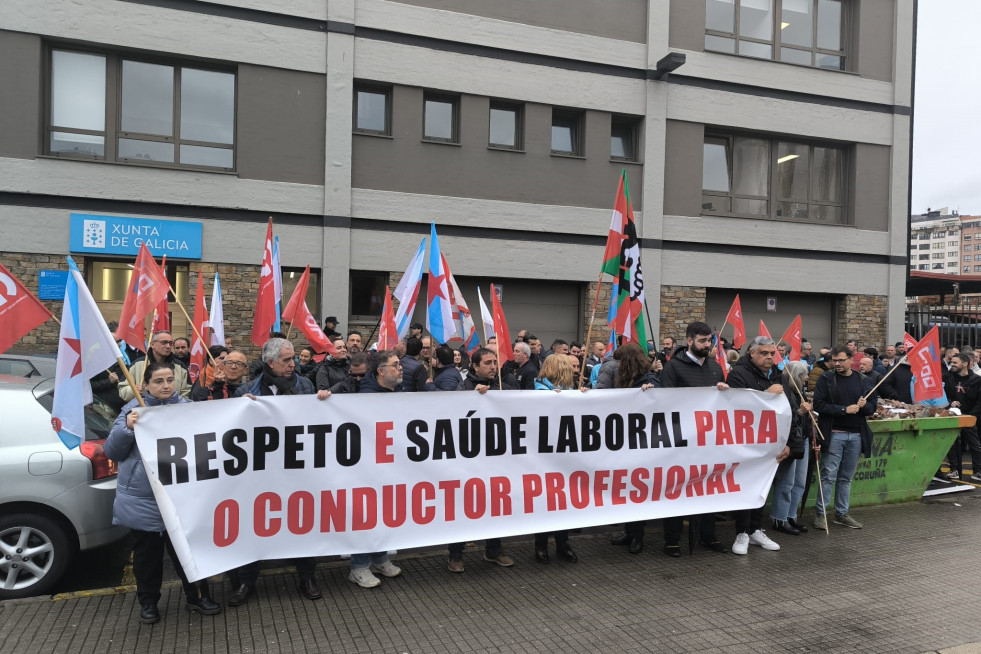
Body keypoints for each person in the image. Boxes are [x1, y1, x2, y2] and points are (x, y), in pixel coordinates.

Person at [105, 360, 220, 623]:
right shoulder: (131, 412)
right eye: (158, 381)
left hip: (181, 497)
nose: (166, 385)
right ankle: (148, 603)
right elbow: (112, 452)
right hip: (144, 500)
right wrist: (128, 429)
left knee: (188, 552)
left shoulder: (188, 410)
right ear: (145, 385)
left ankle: (198, 596)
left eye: (170, 380)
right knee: (148, 558)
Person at [233, 338, 329, 601]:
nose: (293, 363)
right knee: (254, 525)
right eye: (286, 360)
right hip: (260, 473)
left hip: (297, 468)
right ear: (270, 362)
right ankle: (246, 582)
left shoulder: (305, 385)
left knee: (301, 522)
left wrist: (324, 400)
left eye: (293, 358)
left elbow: (317, 421)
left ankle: (307, 577)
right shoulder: (246, 391)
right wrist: (240, 408)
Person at [659, 322, 731, 556]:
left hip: (708, 441)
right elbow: (666, 403)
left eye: (709, 340)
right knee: (677, 489)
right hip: (681, 441)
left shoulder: (715, 367)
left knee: (708, 489)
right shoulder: (673, 368)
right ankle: (672, 539)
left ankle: (708, 536)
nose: (707, 345)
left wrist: (723, 391)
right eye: (702, 341)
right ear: (689, 340)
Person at [447, 347, 516, 571]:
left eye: (495, 362)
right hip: (468, 459)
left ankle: (494, 550)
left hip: (496, 458)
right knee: (463, 506)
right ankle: (456, 554)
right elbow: (449, 410)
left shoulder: (504, 385)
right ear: (475, 366)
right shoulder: (463, 386)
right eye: (487, 363)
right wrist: (471, 396)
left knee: (494, 505)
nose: (493, 367)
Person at [347, 350, 405, 587]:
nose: (401, 368)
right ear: (381, 371)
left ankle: (380, 558)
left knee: (385, 513)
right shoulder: (367, 396)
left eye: (400, 364)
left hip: (391, 464)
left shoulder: (399, 391)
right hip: (368, 467)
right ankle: (358, 567)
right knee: (367, 515)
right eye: (395, 365)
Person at [725, 336, 788, 554]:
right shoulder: (738, 374)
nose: (770, 357)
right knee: (745, 487)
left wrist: (787, 442)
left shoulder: (778, 374)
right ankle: (742, 532)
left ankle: (755, 529)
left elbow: (787, 410)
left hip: (769, 443)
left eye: (772, 353)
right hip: (745, 442)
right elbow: (736, 406)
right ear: (752, 353)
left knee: (762, 486)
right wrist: (765, 395)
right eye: (764, 353)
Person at [812, 345, 878, 530]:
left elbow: (872, 407)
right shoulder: (826, 378)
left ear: (851, 360)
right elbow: (819, 404)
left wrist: (864, 406)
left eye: (841, 360)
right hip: (834, 434)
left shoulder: (863, 380)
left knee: (846, 478)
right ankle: (821, 513)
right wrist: (844, 410)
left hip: (856, 435)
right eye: (834, 360)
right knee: (828, 475)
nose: (837, 363)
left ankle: (842, 514)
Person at [608, 343, 660, 555]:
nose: (618, 365)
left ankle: (638, 535)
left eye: (621, 361)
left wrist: (650, 393)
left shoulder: (649, 380)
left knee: (637, 493)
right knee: (628, 491)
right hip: (628, 442)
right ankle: (630, 531)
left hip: (643, 446)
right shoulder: (627, 380)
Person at [531, 355, 579, 564]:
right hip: (543, 457)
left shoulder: (570, 390)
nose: (574, 371)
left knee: (564, 504)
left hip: (566, 457)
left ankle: (562, 543)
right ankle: (541, 545)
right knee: (546, 503)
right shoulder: (537, 390)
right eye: (570, 367)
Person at [770, 361, 811, 535]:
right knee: (786, 482)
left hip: (803, 439)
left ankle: (791, 515)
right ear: (796, 377)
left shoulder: (800, 392)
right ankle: (780, 518)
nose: (807, 378)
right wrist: (801, 413)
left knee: (799, 482)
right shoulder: (785, 394)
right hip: (791, 441)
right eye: (804, 375)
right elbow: (785, 418)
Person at [119, 330, 191, 402]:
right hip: (144, 410)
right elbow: (123, 390)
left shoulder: (180, 367)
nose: (168, 346)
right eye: (164, 342)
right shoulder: (137, 365)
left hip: (173, 410)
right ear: (152, 344)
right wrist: (133, 391)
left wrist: (176, 404)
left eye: (170, 343)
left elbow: (187, 391)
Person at [944, 353, 981, 482]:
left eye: (955, 363)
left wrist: (972, 414)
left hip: (970, 416)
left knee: (974, 445)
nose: (952, 365)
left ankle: (978, 471)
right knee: (952, 444)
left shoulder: (976, 380)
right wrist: (950, 403)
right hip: (952, 415)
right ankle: (954, 469)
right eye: (951, 362)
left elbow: (979, 401)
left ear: (965, 364)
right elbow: (943, 395)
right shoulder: (948, 377)